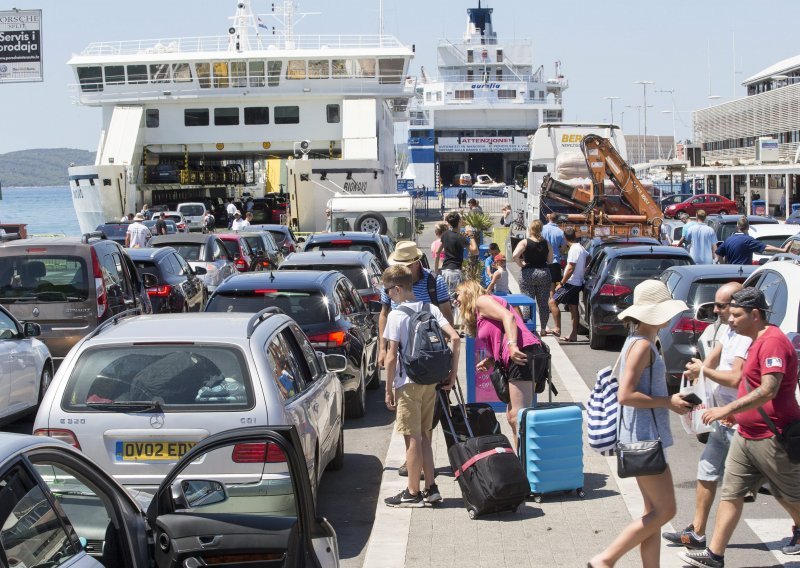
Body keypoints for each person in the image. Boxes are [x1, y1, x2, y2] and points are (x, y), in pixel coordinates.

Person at [681, 288, 800, 567]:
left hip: (772, 435)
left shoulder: (773, 342)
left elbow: (769, 389)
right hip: (746, 434)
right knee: (731, 492)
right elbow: (751, 385)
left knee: (788, 495)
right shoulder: (753, 340)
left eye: (736, 314)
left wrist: (728, 409)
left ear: (755, 315)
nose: (729, 320)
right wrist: (739, 415)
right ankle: (714, 555)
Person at [589, 280, 692, 568]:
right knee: (666, 510)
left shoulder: (642, 341)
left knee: (652, 513)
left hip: (642, 437)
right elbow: (626, 394)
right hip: (643, 439)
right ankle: (606, 559)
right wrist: (667, 401)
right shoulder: (642, 345)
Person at [662, 282, 750, 550]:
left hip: (743, 423)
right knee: (707, 471)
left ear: (737, 305)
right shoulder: (729, 331)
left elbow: (736, 379)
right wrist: (696, 371)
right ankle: (697, 532)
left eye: (722, 305)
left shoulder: (746, 336)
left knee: (778, 484)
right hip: (721, 419)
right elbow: (711, 361)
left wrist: (704, 371)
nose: (716, 310)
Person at [383, 265, 460, 507]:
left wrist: (388, 389)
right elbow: (455, 338)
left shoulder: (397, 315)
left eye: (388, 292)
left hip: (408, 384)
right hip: (432, 382)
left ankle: (412, 493)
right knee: (426, 436)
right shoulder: (432, 309)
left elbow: (391, 356)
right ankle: (432, 488)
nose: (388, 296)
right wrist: (452, 374)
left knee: (412, 438)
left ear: (397, 289)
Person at [378, 242, 453, 479]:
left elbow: (447, 318)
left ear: (416, 262)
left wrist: (437, 356)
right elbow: (384, 314)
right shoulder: (391, 282)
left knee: (421, 426)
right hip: (404, 362)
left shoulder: (434, 282)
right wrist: (382, 347)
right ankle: (417, 467)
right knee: (414, 427)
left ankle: (416, 473)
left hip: (427, 363)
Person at [455, 280, 543, 446]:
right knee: (512, 416)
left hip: (522, 352)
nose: (456, 299)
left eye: (457, 294)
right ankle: (523, 459)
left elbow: (508, 317)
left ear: (467, 292)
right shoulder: (480, 310)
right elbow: (498, 333)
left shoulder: (482, 300)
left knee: (518, 416)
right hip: (516, 355)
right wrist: (491, 360)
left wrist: (512, 345)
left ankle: (526, 463)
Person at [512, 220, 553, 336]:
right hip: (543, 273)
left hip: (528, 274)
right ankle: (544, 329)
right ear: (540, 229)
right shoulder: (546, 243)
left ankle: (529, 328)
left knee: (528, 302)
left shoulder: (524, 242)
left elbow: (515, 255)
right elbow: (550, 260)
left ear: (530, 229)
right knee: (543, 303)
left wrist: (521, 264)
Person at [549, 226, 588, 343]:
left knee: (552, 302)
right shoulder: (580, 247)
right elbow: (589, 256)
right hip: (577, 282)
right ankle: (573, 335)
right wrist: (584, 269)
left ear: (565, 238)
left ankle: (557, 328)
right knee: (573, 308)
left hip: (571, 283)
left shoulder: (574, 249)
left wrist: (561, 283)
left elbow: (571, 267)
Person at [434, 211, 478, 299]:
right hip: (455, 272)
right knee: (456, 299)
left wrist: (436, 270)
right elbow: (475, 251)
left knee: (446, 298)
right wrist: (471, 235)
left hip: (444, 271)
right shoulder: (461, 238)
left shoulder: (445, 234)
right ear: (459, 222)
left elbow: (438, 252)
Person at [716, 216, 784, 265]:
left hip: (731, 273)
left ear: (737, 227)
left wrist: (724, 265)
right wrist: (782, 250)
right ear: (748, 227)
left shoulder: (728, 240)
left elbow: (718, 254)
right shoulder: (748, 240)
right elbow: (766, 247)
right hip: (744, 273)